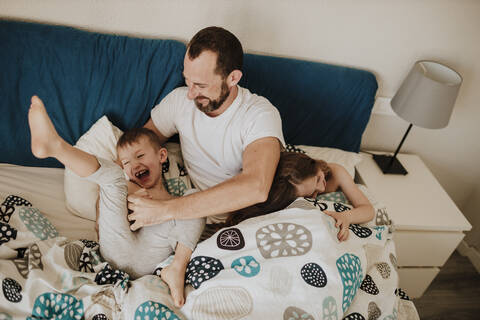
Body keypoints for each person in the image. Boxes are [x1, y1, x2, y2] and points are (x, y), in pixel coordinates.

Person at [27, 95, 204, 307]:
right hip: (116, 251)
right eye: (127, 162)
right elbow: (110, 195)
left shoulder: (176, 201)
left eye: (140, 156)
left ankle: (177, 268)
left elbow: (187, 224)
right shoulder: (125, 188)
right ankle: (55, 147)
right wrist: (122, 195)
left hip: (152, 254)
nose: (135, 164)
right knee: (112, 179)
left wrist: (168, 210)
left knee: (195, 198)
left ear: (162, 155)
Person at [127, 26, 285, 230]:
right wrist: (122, 191)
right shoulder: (179, 101)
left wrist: (166, 209)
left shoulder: (259, 114)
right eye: (187, 80)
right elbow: (134, 149)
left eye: (201, 86)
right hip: (191, 220)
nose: (191, 94)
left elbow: (256, 186)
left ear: (233, 78)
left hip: (242, 222)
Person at [224, 152, 375, 241]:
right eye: (312, 194)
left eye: (317, 179)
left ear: (314, 165)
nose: (321, 188)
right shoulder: (285, 193)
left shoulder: (336, 172)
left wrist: (347, 216)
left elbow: (368, 210)